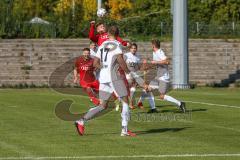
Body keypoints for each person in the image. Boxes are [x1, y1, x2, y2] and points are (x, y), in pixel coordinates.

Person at [75, 26, 136, 137]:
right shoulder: (117, 45)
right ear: (117, 34)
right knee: (126, 101)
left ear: (108, 34)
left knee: (103, 105)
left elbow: (95, 63)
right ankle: (124, 130)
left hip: (103, 78)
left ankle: (81, 121)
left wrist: (103, 67)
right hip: (114, 77)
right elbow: (121, 61)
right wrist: (128, 73)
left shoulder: (102, 45)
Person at [145, 39, 186, 113]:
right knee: (148, 89)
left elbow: (167, 61)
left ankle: (180, 103)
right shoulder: (154, 53)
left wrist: (155, 62)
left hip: (164, 77)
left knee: (162, 96)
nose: (151, 46)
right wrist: (148, 66)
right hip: (158, 76)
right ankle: (153, 108)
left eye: (151, 45)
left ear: (154, 45)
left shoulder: (160, 52)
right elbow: (157, 64)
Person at [124, 43, 156, 111]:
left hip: (136, 74)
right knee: (132, 88)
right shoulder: (126, 55)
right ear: (130, 49)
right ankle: (130, 103)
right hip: (128, 74)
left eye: (135, 48)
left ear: (136, 49)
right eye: (132, 48)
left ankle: (139, 103)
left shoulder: (137, 57)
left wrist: (145, 66)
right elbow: (122, 64)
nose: (133, 49)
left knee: (146, 88)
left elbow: (139, 68)